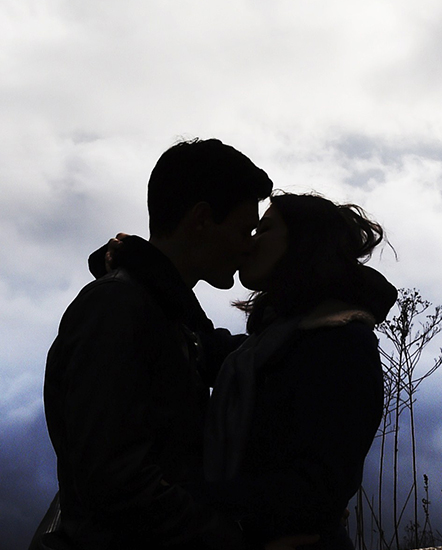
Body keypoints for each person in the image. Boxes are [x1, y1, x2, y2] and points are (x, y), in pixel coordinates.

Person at [39, 138, 271, 550]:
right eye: (244, 229)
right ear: (202, 220)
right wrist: (232, 537)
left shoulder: (167, 314)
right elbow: (114, 481)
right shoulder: (118, 307)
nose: (249, 244)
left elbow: (242, 354)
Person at [200, 193, 397, 550]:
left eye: (266, 229)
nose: (251, 240)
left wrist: (193, 497)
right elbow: (198, 344)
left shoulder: (340, 344)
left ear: (304, 242)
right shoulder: (268, 347)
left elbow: (316, 486)